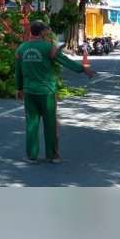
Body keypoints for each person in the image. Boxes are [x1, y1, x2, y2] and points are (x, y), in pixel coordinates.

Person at [15, 21, 96, 164]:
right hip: (47, 92)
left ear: (31, 32)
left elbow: (18, 72)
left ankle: (31, 156)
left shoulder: (21, 49)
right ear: (41, 33)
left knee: (31, 124)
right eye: (45, 31)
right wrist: (83, 69)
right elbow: (65, 61)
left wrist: (18, 88)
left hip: (29, 92)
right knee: (50, 124)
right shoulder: (49, 48)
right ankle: (52, 156)